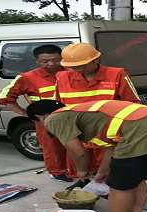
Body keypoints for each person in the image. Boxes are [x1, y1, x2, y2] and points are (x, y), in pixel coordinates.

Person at [26, 99, 147, 212]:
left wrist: (82, 171)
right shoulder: (86, 113)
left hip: (141, 137)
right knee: (137, 178)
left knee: (119, 186)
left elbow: (78, 151)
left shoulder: (54, 119)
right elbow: (112, 148)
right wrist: (102, 172)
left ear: (40, 117)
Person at [54, 42, 141, 179]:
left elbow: (133, 104)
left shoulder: (116, 74)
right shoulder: (62, 77)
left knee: (110, 173)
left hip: (107, 135)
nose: (78, 70)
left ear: (96, 59)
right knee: (81, 172)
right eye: (73, 67)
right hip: (77, 134)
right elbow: (58, 106)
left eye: (82, 66)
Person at [0, 44, 71, 182]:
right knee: (52, 147)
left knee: (75, 146)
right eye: (45, 61)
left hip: (72, 117)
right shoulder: (28, 77)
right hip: (46, 121)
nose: (51, 64)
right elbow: (4, 96)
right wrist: (24, 113)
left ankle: (75, 170)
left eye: (56, 60)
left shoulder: (72, 72)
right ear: (37, 61)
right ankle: (56, 172)